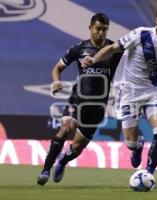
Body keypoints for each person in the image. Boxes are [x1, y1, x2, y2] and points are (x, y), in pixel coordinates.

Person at [83, 4, 157, 175]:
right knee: (130, 142)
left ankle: (149, 173)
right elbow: (112, 48)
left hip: (153, 93)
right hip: (129, 93)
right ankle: (136, 146)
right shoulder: (140, 34)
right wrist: (93, 60)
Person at [37, 13, 122, 185]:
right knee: (65, 128)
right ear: (90, 28)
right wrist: (56, 81)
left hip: (97, 106)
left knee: (76, 148)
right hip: (77, 100)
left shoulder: (114, 50)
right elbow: (57, 68)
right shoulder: (79, 48)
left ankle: (62, 161)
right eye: (98, 28)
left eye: (105, 30)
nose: (101, 33)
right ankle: (45, 170)